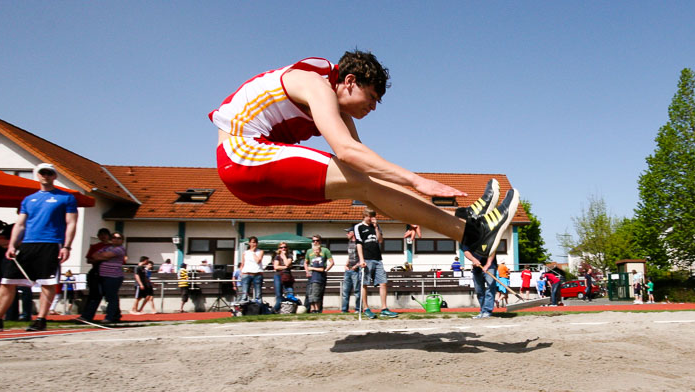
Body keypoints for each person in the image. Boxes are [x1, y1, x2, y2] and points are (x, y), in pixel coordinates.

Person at [208, 50, 518, 279]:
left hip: (248, 177)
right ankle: (471, 232)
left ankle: (463, 224)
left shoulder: (334, 101)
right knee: (361, 180)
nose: (372, 107)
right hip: (243, 153)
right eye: (370, 98)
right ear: (350, 81)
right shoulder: (317, 86)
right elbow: (347, 152)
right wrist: (416, 181)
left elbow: (365, 162)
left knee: (365, 186)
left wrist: (412, 211)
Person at [0, 164, 78, 332]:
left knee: (47, 282)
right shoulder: (28, 199)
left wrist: (67, 246)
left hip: (51, 243)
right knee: (7, 281)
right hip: (28, 244)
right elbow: (20, 224)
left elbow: (71, 223)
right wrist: (12, 245)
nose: (45, 176)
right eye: (42, 173)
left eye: (49, 173)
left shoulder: (66, 198)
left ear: (54, 176)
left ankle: (41, 319)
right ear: (37, 175)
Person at [354, 209, 396, 319]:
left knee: (383, 283)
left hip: (377, 258)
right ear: (365, 216)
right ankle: (366, 308)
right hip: (366, 259)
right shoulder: (358, 227)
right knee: (365, 283)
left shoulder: (376, 226)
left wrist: (376, 227)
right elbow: (359, 244)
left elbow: (380, 240)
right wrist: (361, 259)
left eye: (373, 216)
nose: (371, 218)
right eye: (370, 216)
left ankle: (384, 308)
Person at [91, 232, 126, 323]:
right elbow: (94, 256)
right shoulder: (107, 248)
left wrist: (102, 257)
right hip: (103, 275)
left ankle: (110, 316)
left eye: (119, 238)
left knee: (111, 297)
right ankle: (116, 315)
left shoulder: (120, 249)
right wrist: (102, 257)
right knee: (108, 296)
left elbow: (104, 255)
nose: (116, 239)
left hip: (114, 276)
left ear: (122, 240)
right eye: (114, 237)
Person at [79, 227, 111, 322]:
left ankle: (113, 315)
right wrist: (100, 259)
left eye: (105, 235)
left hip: (109, 272)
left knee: (110, 295)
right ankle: (87, 315)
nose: (103, 237)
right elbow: (89, 259)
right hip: (96, 272)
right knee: (94, 294)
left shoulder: (113, 247)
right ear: (98, 236)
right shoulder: (95, 247)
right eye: (101, 235)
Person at [463, 246, 497, 319]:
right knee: (479, 291)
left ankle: (487, 311)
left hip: (490, 267)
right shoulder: (467, 239)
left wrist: (488, 264)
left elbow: (492, 251)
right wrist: (474, 259)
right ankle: (483, 311)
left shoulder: (487, 236)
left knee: (490, 288)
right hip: (477, 268)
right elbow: (466, 251)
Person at [306, 235, 334, 313]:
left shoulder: (325, 250)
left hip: (320, 275)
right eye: (314, 240)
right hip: (311, 275)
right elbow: (306, 262)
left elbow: (331, 262)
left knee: (319, 293)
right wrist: (307, 271)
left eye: (317, 240)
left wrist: (326, 270)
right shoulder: (309, 251)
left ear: (320, 241)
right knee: (310, 293)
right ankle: (311, 309)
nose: (315, 242)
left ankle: (318, 310)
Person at [238, 237, 265, 310]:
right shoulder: (245, 252)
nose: (253, 244)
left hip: (257, 274)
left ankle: (258, 308)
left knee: (258, 293)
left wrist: (253, 252)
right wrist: (241, 272)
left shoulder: (260, 251)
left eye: (255, 242)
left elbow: (258, 261)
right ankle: (243, 308)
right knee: (245, 293)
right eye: (252, 242)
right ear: (249, 243)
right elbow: (242, 263)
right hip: (246, 274)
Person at [340, 228, 362, 313]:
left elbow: (362, 257)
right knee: (345, 291)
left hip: (356, 270)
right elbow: (350, 256)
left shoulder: (359, 244)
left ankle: (358, 309)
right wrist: (346, 264)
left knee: (357, 291)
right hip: (348, 270)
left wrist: (356, 265)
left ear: (353, 233)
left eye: (348, 232)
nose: (347, 234)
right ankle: (344, 309)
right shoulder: (349, 243)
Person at [271, 242, 294, 313]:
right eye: (281, 247)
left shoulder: (290, 256)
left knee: (290, 293)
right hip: (278, 276)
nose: (283, 248)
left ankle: (287, 309)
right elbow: (276, 267)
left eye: (285, 247)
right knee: (279, 295)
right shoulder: (277, 257)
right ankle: (275, 310)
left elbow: (287, 263)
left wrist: (284, 257)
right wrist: (285, 267)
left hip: (287, 277)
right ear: (279, 249)